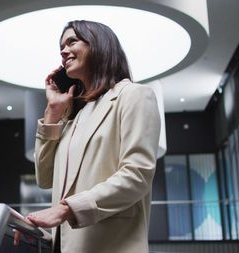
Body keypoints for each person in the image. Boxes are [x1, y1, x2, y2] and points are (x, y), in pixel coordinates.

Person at [21, 20, 161, 252]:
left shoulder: (134, 96)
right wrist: (53, 113)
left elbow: (137, 175)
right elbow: (44, 178)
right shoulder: (73, 117)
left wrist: (67, 209)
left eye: (72, 41)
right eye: (61, 47)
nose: (63, 51)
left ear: (99, 45)